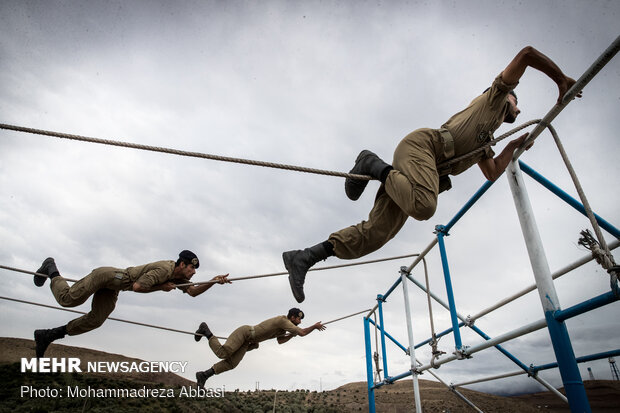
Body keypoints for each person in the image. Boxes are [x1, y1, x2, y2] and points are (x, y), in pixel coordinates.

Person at [283, 46, 582, 303]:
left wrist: (513, 145)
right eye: (518, 103)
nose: (519, 109)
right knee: (424, 207)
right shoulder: (496, 97)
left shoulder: (486, 142)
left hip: (420, 176)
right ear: (509, 98)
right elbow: (527, 54)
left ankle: (305, 257)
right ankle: (371, 163)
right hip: (421, 149)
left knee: (375, 235)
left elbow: (492, 173)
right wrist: (561, 81)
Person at [32, 250, 230, 357]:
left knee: (96, 319)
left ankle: (48, 335)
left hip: (114, 287)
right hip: (106, 277)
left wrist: (213, 281)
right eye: (191, 268)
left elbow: (193, 292)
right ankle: (51, 268)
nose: (193, 273)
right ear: (181, 265)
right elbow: (137, 287)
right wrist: (161, 288)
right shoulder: (164, 270)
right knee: (68, 299)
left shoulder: (178, 278)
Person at [194, 308, 326, 387]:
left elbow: (280, 341)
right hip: (245, 332)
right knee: (224, 352)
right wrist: (314, 327)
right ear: (292, 317)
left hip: (248, 341)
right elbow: (302, 332)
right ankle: (206, 331)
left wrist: (291, 335)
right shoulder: (283, 320)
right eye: (299, 319)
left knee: (232, 363)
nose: (300, 322)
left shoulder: (282, 329)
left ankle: (204, 375)